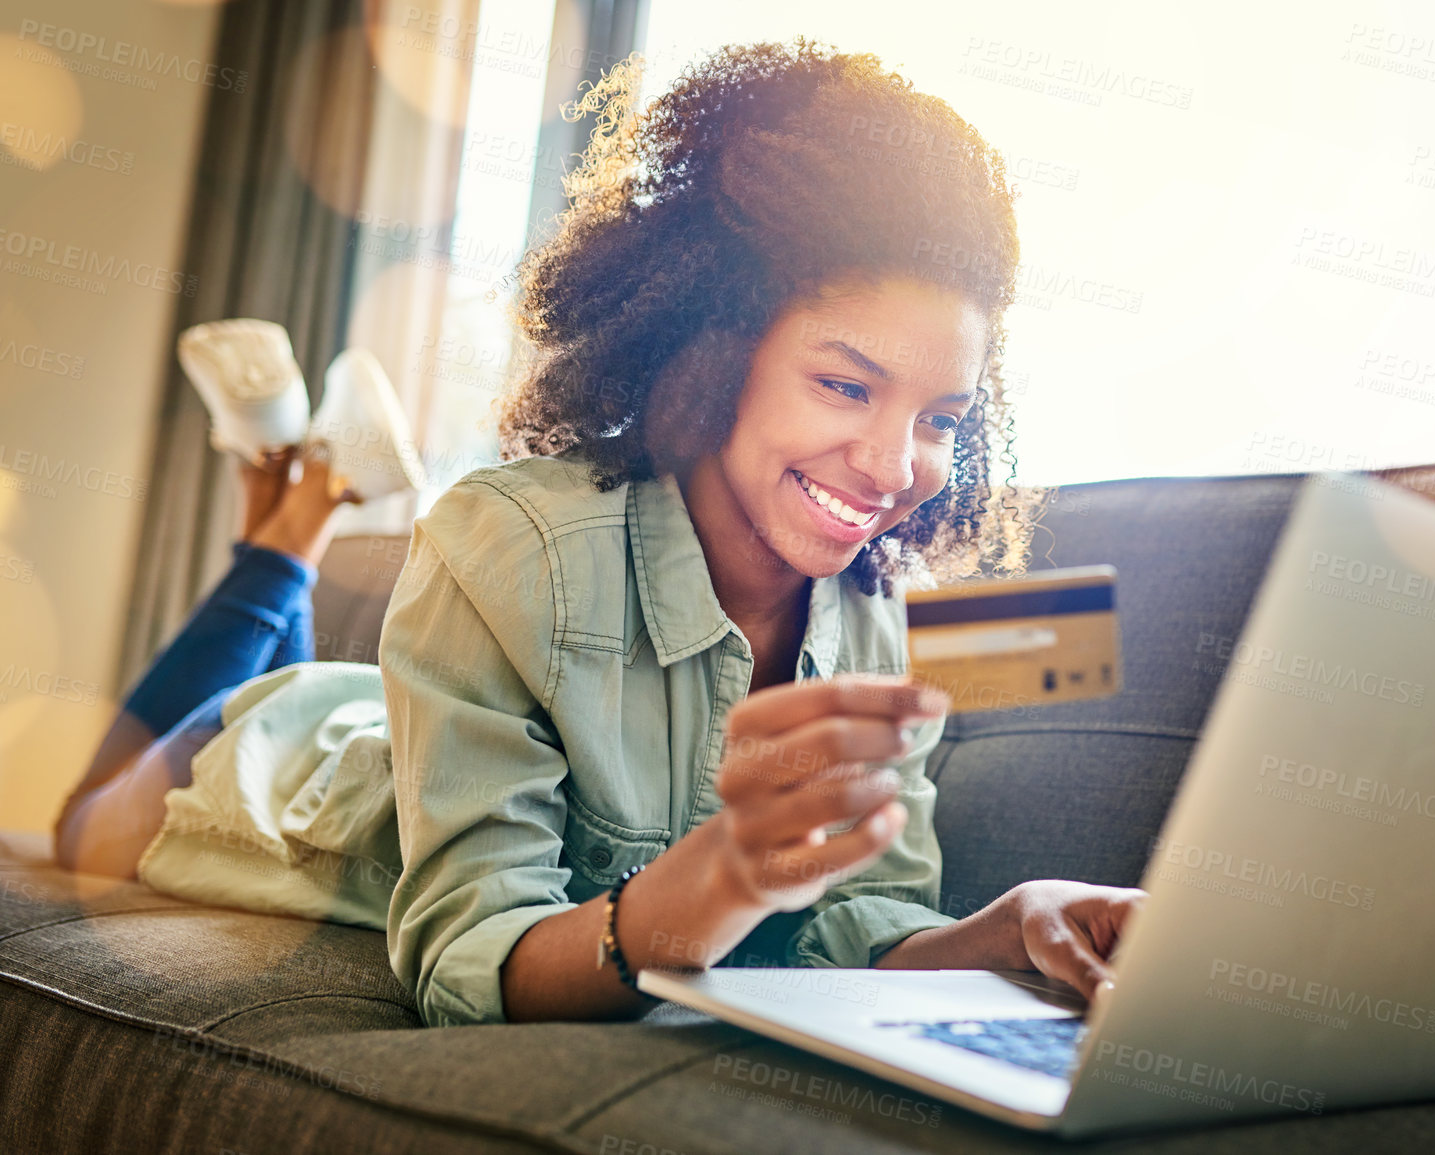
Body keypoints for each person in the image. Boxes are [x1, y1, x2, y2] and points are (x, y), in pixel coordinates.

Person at [55, 40, 1142, 1029]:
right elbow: (468, 965)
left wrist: (1002, 929)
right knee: (79, 828)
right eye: (845, 384)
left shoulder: (874, 619)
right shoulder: (509, 540)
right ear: (711, 346)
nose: (897, 466)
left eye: (940, 420)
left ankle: (298, 491)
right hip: (268, 774)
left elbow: (853, 927)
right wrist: (724, 876)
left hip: (409, 719)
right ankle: (287, 529)